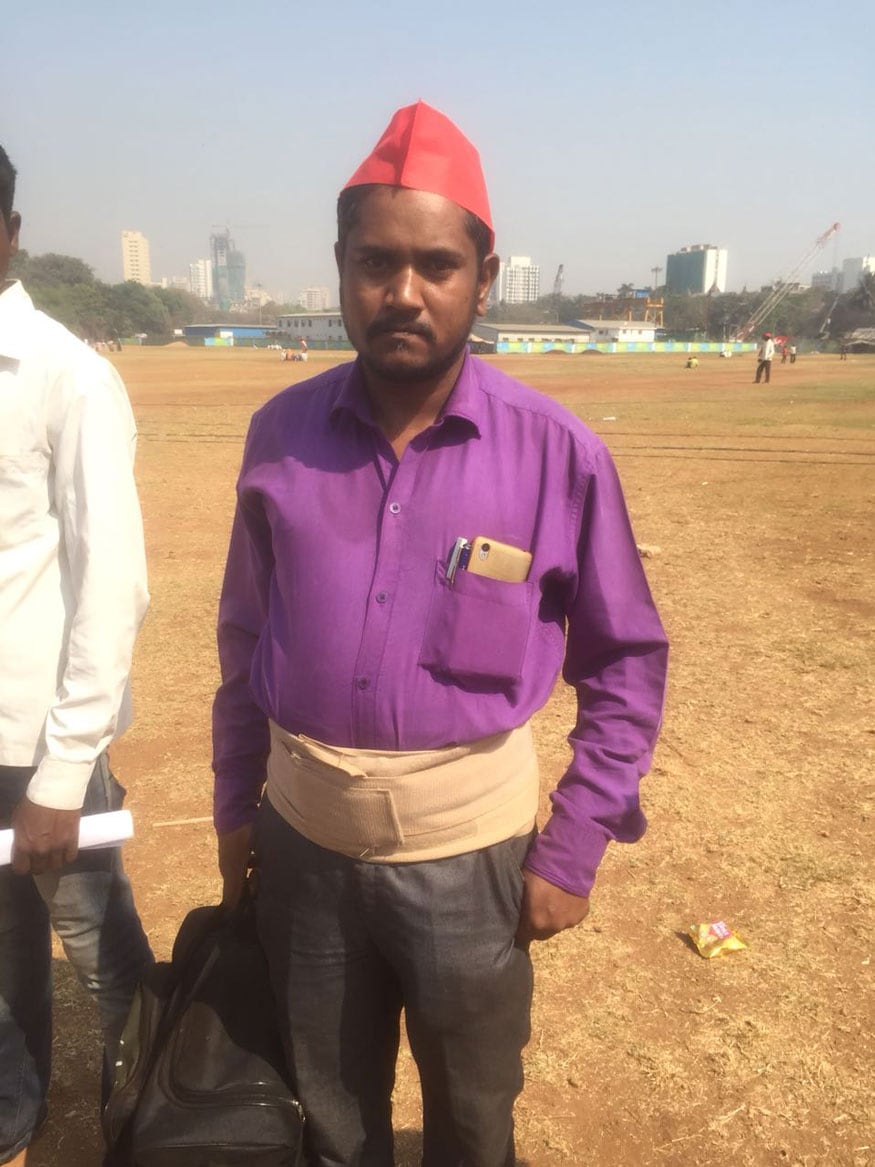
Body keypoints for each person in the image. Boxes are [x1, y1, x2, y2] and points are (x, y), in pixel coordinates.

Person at [212, 101, 668, 1167]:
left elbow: (625, 663)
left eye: (434, 264)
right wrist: (237, 802)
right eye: (375, 262)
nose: (402, 293)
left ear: (483, 275)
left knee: (471, 1118)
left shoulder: (558, 455)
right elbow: (245, 636)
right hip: (302, 845)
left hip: (471, 864)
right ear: (339, 269)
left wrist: (575, 842)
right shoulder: (278, 436)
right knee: (328, 1114)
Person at [0, 145, 152, 1166]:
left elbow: (112, 583)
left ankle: (163, 1112)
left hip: (34, 735)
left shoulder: (66, 376)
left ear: (6, 229)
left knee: (104, 954)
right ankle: (13, 1109)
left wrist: (62, 772)